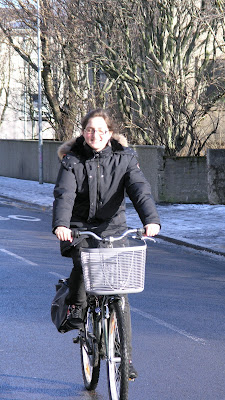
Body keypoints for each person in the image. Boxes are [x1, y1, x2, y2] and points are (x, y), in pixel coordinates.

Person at [52, 108, 160, 379]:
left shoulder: (125, 159)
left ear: (110, 134)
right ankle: (77, 306)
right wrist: (62, 225)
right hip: (80, 228)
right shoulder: (72, 160)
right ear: (83, 132)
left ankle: (126, 358)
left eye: (101, 131)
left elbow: (139, 190)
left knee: (119, 293)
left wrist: (151, 220)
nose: (95, 135)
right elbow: (64, 194)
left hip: (113, 228)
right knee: (83, 261)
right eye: (90, 130)